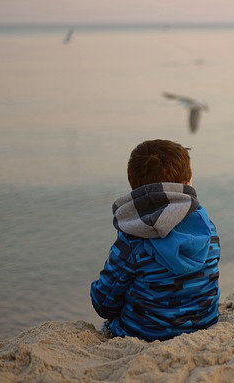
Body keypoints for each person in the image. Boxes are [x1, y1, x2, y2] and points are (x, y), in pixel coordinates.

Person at [90, 139, 220, 341]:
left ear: (134, 187)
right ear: (187, 184)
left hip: (145, 333)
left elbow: (104, 303)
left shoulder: (133, 238)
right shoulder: (207, 227)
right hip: (205, 324)